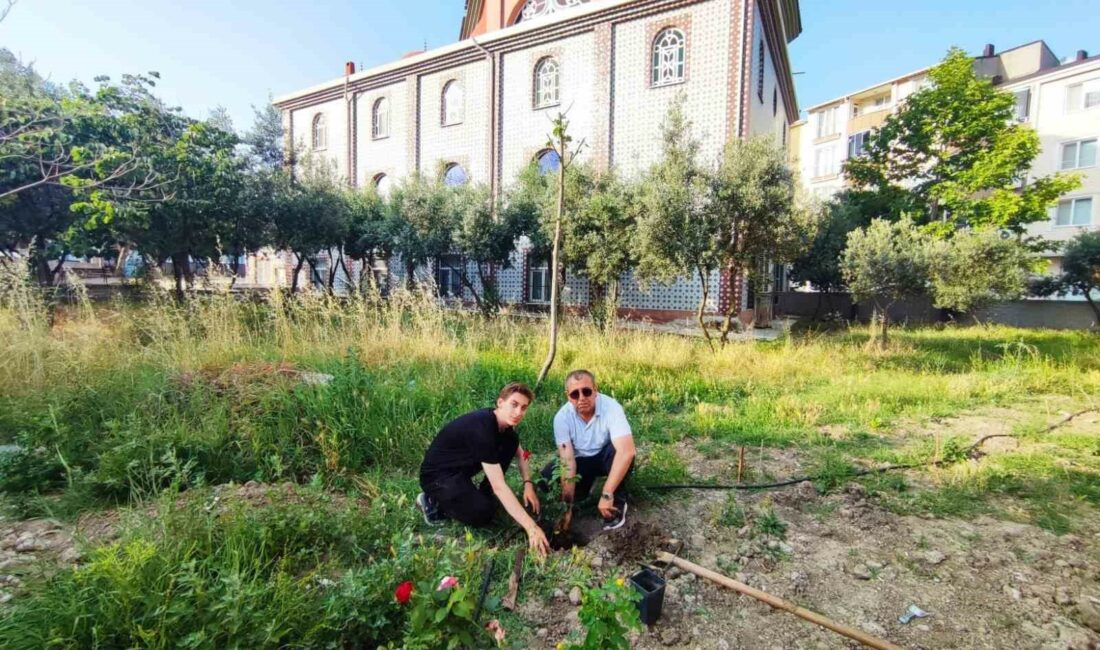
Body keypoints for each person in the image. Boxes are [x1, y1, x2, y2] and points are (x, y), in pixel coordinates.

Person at [416, 382, 551, 557]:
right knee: (482, 513)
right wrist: (531, 527)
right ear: (500, 403)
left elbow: (523, 453)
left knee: (510, 445)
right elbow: (499, 485)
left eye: (524, 408)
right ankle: (433, 502)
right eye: (514, 404)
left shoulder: (506, 430)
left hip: (459, 474)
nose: (518, 412)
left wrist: (528, 484)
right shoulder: (482, 427)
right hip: (437, 477)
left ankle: (482, 496)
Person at [540, 369, 636, 530]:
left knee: (620, 452)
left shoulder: (611, 408)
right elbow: (567, 461)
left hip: (605, 456)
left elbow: (627, 451)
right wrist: (567, 507)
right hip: (581, 461)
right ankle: (583, 491)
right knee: (546, 478)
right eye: (575, 394)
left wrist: (607, 493)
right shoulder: (562, 418)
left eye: (586, 391)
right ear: (567, 396)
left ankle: (616, 501)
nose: (582, 398)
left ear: (595, 390)